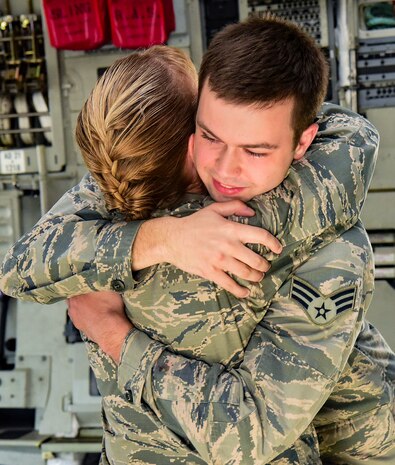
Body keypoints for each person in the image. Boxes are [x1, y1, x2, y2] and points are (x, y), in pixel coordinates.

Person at [1, 16, 394, 465]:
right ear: (188, 129)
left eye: (256, 150)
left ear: (303, 142)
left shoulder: (327, 249)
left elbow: (250, 434)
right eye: (209, 136)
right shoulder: (127, 195)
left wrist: (114, 335)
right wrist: (161, 239)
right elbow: (17, 269)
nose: (227, 169)